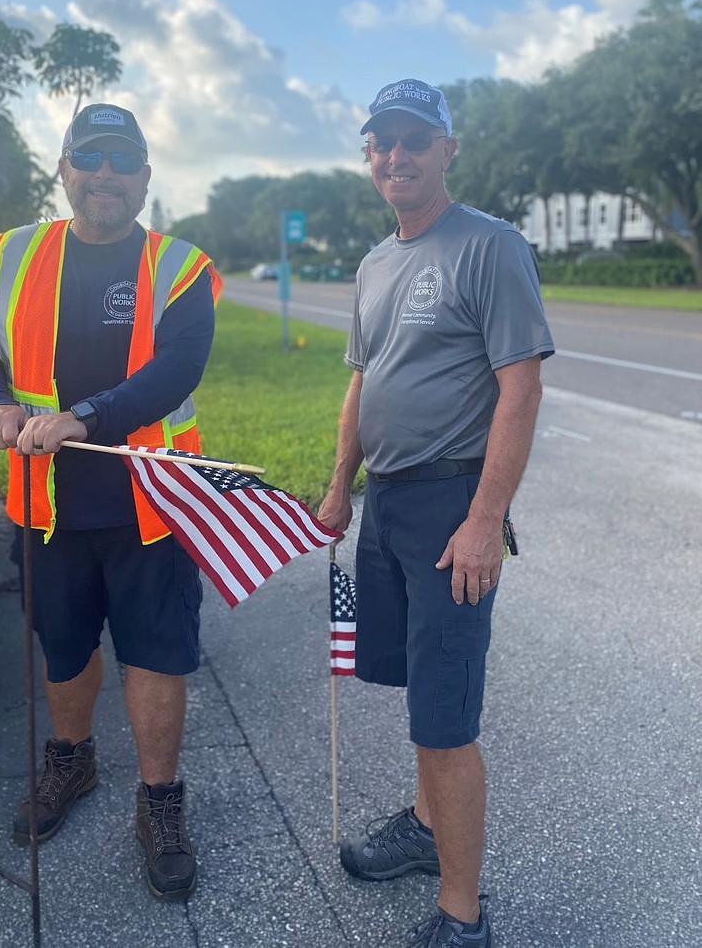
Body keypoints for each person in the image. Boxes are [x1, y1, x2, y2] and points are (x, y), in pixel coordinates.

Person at [0, 103, 221, 903]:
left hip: (152, 505)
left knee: (157, 656)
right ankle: (72, 758)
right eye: (90, 157)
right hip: (46, 505)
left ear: (144, 176)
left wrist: (88, 416)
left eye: (123, 160)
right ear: (63, 168)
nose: (105, 173)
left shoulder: (180, 266)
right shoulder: (10, 255)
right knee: (63, 648)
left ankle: (161, 802)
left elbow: (176, 369)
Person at [318, 79, 554, 947]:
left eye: (416, 138)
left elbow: (520, 389)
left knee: (447, 718)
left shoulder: (489, 246)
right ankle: (424, 832)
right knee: (420, 688)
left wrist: (487, 517)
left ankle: (464, 915)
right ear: (369, 154)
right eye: (383, 140)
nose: (398, 154)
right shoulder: (375, 263)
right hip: (387, 504)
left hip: (453, 506)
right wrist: (342, 483)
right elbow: (362, 380)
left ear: (448, 149)